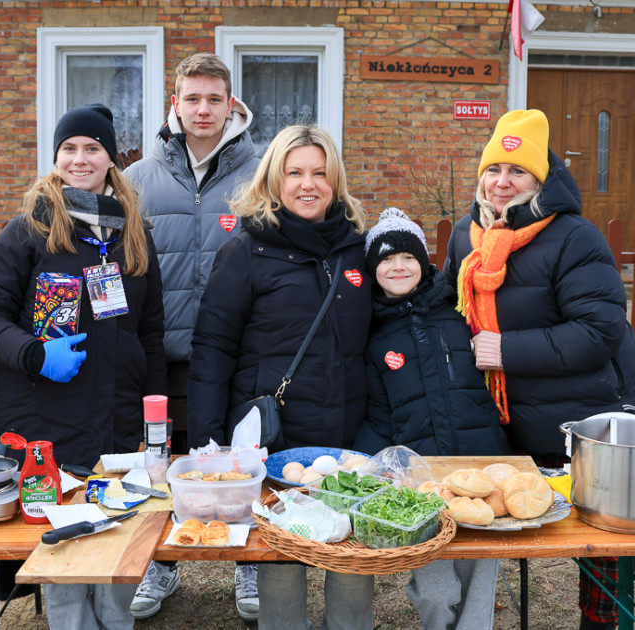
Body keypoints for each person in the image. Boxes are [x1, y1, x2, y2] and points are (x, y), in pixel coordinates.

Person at [443, 109, 635, 630]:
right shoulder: (466, 240)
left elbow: (600, 332)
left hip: (583, 418)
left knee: (598, 542)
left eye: (518, 172)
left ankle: (600, 624)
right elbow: (447, 310)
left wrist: (505, 350)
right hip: (503, 417)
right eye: (494, 170)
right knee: (481, 516)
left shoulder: (574, 237)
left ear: (540, 180)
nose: (502, 182)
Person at [0, 103, 165, 630]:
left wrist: (155, 424)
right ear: (55, 158)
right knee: (62, 550)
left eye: (93, 148)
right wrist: (34, 353)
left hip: (119, 420)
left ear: (112, 159)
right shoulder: (28, 230)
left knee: (116, 538)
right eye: (69, 149)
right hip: (44, 418)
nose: (80, 159)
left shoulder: (134, 234)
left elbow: (150, 332)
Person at [188, 124, 374, 630]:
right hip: (272, 439)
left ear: (335, 181)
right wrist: (210, 445)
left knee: (352, 559)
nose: (307, 184)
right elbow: (212, 349)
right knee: (280, 562)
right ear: (274, 180)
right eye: (294, 173)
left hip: (345, 439)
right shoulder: (246, 251)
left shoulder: (359, 250)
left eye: (319, 173)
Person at [122, 52, 261, 621]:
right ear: (173, 104)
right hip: (166, 356)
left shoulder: (263, 174)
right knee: (166, 465)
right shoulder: (136, 180)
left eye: (214, 99)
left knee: (245, 461)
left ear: (231, 106)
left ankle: (252, 563)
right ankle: (162, 562)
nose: (203, 109)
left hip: (243, 353)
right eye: (192, 98)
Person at [353, 207, 509, 630]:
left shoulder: (457, 313)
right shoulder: (371, 333)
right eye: (385, 259)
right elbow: (377, 413)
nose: (398, 266)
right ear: (373, 269)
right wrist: (373, 467)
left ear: (423, 262)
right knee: (438, 592)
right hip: (421, 482)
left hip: (478, 468)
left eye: (407, 257)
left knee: (478, 575)